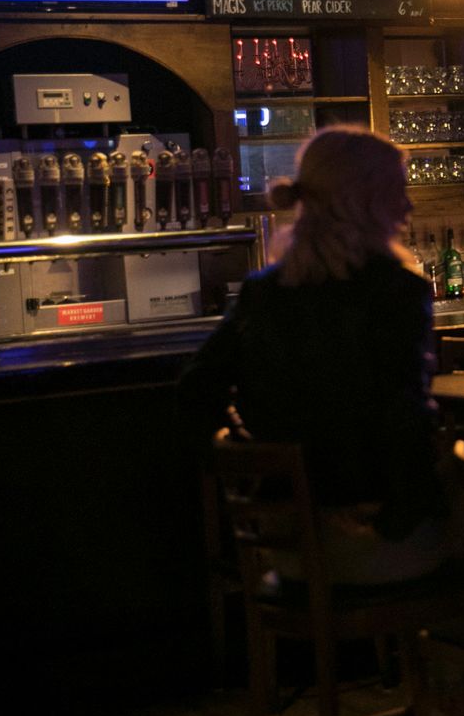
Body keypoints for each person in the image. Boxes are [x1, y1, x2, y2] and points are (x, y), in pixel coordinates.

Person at [178, 126, 449, 586]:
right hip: (366, 544)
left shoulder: (263, 292)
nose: (409, 205)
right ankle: (438, 655)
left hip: (285, 548)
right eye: (398, 191)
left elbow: (194, 391)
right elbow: (403, 416)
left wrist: (250, 460)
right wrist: (391, 521)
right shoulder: (397, 291)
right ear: (365, 200)